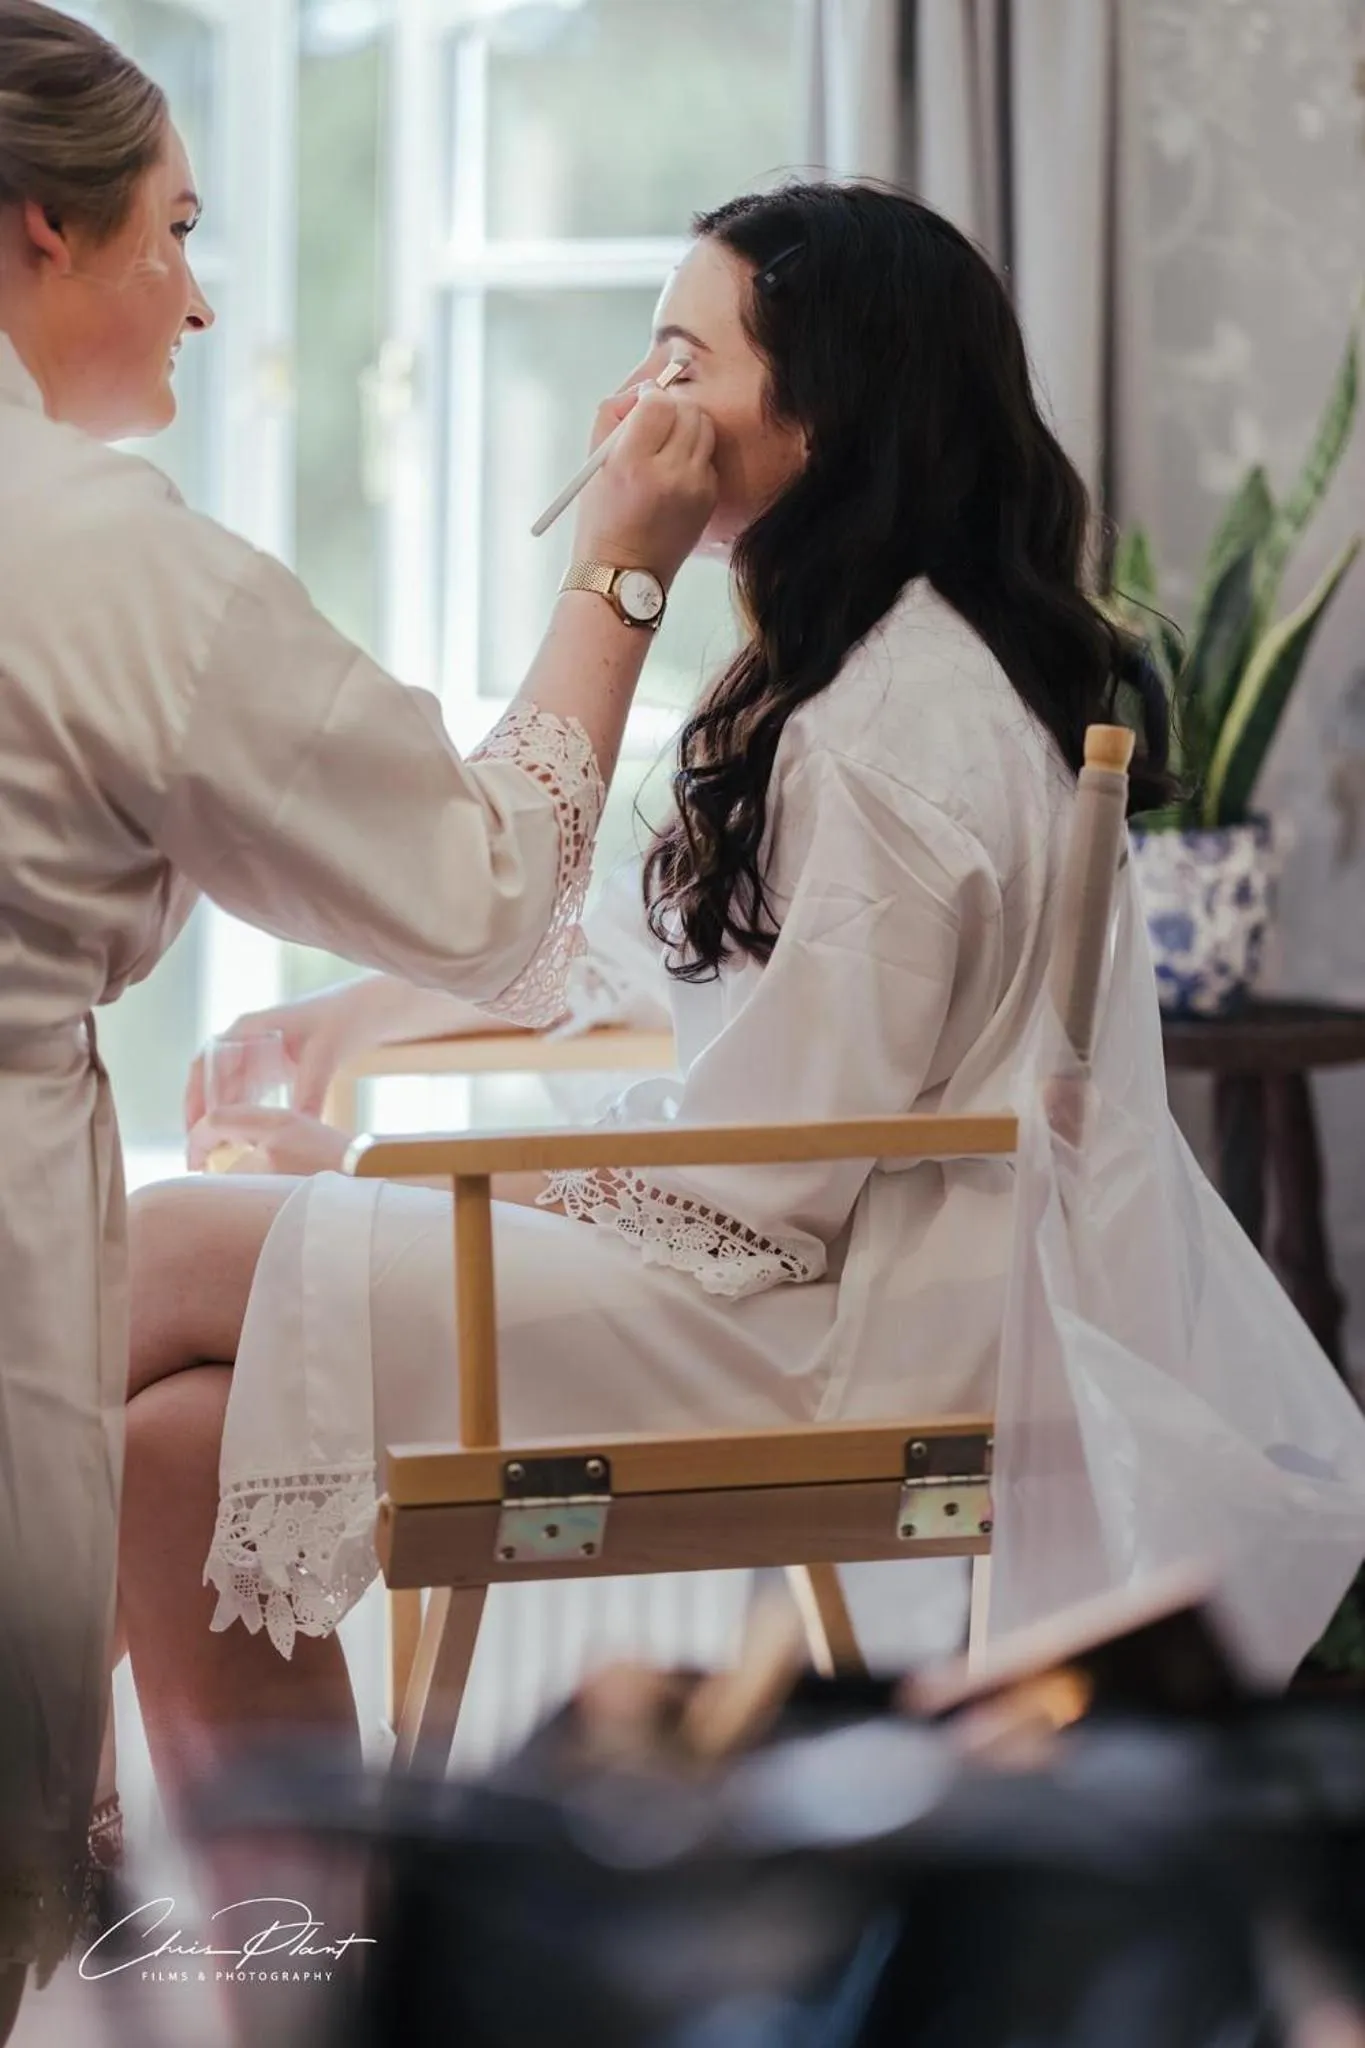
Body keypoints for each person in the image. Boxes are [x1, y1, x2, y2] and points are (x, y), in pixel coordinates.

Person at [120, 181, 1365, 1826]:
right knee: (171, 1450)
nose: (638, 406)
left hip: (833, 1333)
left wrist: (360, 1176)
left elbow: (768, 1185)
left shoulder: (892, 728)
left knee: (162, 1244)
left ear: (826, 413)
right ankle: (309, 1942)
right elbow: (688, 961)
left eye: (683, 362)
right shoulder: (878, 669)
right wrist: (358, 1020)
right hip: (819, 1285)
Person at [0, 0, 715, 2000]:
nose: (201, 297)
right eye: (175, 229)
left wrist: (356, 1029)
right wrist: (621, 570)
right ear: (42, 230)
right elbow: (488, 889)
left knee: (177, 1417)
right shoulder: (94, 557)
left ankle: (308, 1984)